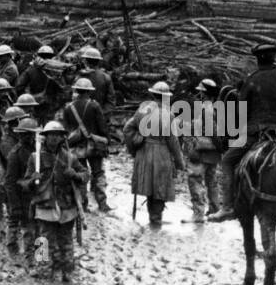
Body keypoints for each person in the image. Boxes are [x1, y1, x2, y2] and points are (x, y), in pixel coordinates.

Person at [207, 44, 276, 221]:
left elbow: (240, 111)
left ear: (258, 59)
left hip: (255, 133)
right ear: (273, 57)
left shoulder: (251, 80)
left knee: (228, 161)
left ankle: (228, 207)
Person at [24, 120, 88, 283]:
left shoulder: (69, 157)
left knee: (66, 240)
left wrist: (74, 174)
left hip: (66, 206)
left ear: (61, 138)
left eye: (57, 135)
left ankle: (67, 271)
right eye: (51, 135)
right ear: (45, 137)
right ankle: (44, 270)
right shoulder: (35, 158)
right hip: (45, 205)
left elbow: (86, 175)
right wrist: (32, 180)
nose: (54, 138)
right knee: (43, 240)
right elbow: (25, 184)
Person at [123, 81, 185, 226]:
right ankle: (155, 219)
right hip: (161, 153)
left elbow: (127, 129)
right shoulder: (168, 114)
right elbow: (173, 140)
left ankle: (153, 217)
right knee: (160, 186)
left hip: (144, 152)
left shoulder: (142, 109)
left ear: (153, 94)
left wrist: (134, 148)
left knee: (149, 184)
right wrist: (179, 161)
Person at [63, 77, 112, 212]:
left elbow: (66, 129)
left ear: (77, 90)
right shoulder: (94, 105)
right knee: (98, 173)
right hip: (94, 146)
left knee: (81, 175)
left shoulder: (68, 107)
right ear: (89, 91)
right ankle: (102, 204)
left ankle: (83, 204)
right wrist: (106, 141)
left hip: (76, 146)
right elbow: (102, 127)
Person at [185, 79, 222, 222]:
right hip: (213, 152)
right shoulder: (218, 107)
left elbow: (211, 130)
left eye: (200, 92)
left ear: (204, 93)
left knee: (195, 180)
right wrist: (220, 148)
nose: (198, 94)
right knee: (212, 181)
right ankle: (214, 210)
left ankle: (198, 214)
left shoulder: (206, 109)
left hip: (201, 151)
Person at [3, 116, 39, 264]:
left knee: (41, 229)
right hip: (22, 197)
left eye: (31, 134)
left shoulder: (38, 150)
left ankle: (41, 258)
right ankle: (24, 257)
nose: (29, 137)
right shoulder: (15, 154)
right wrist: (15, 205)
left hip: (38, 196)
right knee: (26, 228)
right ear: (20, 135)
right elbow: (10, 183)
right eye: (25, 134)